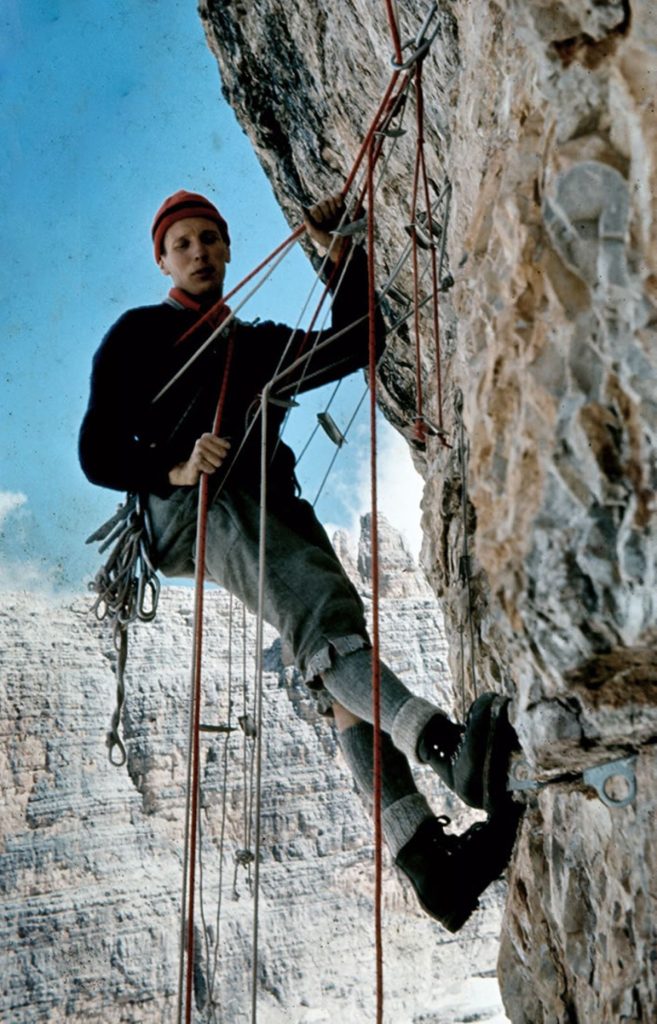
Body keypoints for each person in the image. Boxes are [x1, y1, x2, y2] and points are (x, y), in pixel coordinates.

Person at [79, 189, 521, 932]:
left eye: (209, 240)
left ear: (227, 250)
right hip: (198, 505)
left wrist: (337, 254)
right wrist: (175, 468)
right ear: (162, 259)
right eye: (182, 244)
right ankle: (448, 754)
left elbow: (356, 341)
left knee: (337, 655)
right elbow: (97, 451)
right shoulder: (138, 335)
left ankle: (427, 864)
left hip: (261, 503)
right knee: (324, 626)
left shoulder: (251, 345)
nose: (198, 253)